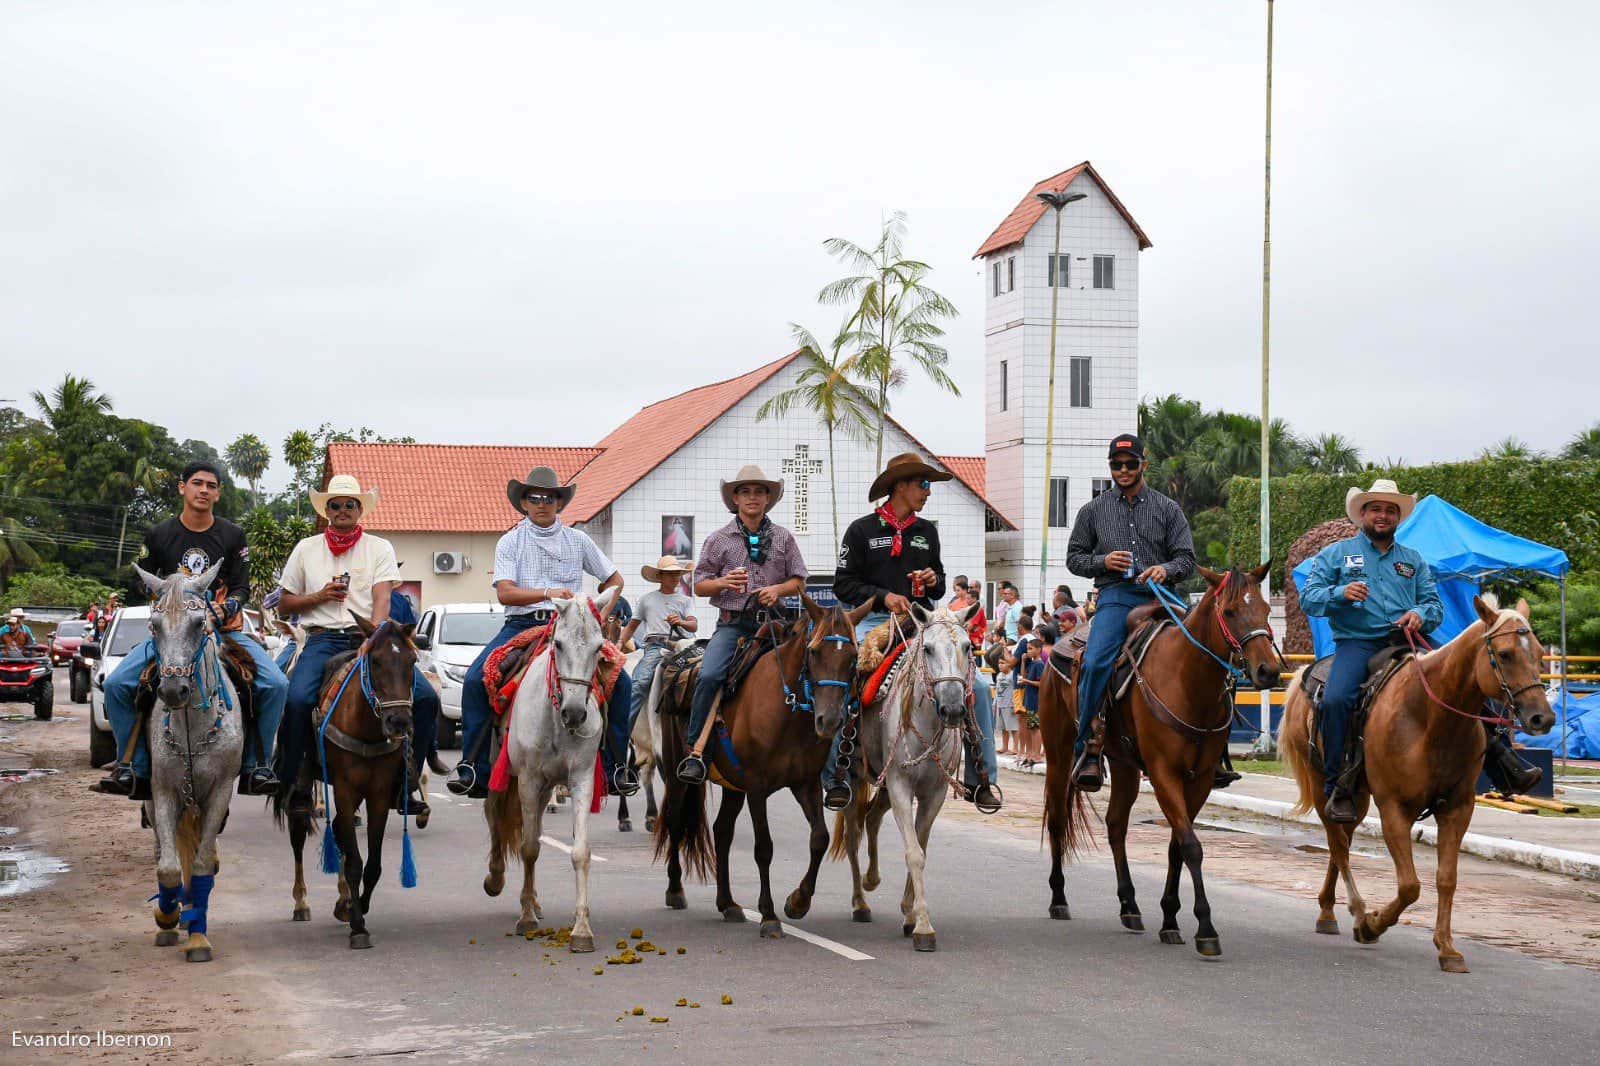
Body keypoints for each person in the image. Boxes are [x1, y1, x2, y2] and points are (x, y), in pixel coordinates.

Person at [1300, 479, 1541, 821]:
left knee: (1468, 676)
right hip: (1358, 643)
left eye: (1390, 510)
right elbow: (1308, 598)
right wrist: (1340, 593)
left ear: (1398, 517)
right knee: (1337, 699)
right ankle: (1340, 785)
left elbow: (1433, 605)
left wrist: (1419, 614)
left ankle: (1505, 762)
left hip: (1407, 642)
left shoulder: (1413, 560)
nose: (1382, 516)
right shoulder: (1335, 555)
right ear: (1362, 514)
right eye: (1376, 509)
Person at [94, 462, 289, 799]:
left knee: (276, 684)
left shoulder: (232, 534)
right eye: (196, 483)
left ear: (218, 493)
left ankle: (257, 766)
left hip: (225, 632)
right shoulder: (159, 534)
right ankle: (134, 768)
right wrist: (165, 598)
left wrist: (225, 606)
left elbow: (242, 586)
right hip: (173, 636)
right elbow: (138, 583)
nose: (204, 490)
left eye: (211, 485)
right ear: (182, 487)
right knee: (115, 684)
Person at [449, 467, 634, 798]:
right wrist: (547, 593)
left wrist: (596, 617)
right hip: (522, 623)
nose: (542, 504)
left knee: (622, 682)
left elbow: (615, 580)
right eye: (534, 498)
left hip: (571, 628)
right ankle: (473, 766)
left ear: (559, 503)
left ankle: (615, 766)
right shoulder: (511, 540)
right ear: (523, 502)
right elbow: (505, 592)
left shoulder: (578, 540)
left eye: (549, 498)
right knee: (477, 678)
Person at [273, 475, 442, 819]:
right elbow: (284, 605)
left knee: (426, 698)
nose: (342, 510)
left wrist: (374, 636)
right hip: (322, 637)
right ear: (327, 511)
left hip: (372, 637)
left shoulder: (379, 547)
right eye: (335, 505)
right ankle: (297, 779)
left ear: (360, 509)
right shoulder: (306, 548)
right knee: (298, 698)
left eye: (349, 504)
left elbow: (383, 596)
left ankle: (406, 779)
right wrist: (319, 595)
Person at [1066, 433, 1197, 791]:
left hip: (1162, 597)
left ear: (1144, 465)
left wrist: (1165, 570)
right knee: (1094, 662)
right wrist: (1102, 561)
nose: (1123, 470)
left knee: (1208, 650)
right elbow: (1074, 558)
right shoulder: (1092, 511)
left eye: (1130, 464)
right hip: (1117, 595)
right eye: (1116, 465)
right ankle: (1087, 749)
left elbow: (1187, 558)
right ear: (1110, 467)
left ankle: (1213, 751)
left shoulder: (1168, 509)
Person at [677, 464, 807, 787]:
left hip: (777, 625)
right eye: (745, 492)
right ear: (735, 498)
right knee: (708, 675)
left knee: (817, 672)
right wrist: (723, 582)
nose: (752, 497)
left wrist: (777, 590)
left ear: (768, 499)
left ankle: (824, 758)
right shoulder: (719, 539)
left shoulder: (784, 538)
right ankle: (697, 751)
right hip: (734, 626)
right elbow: (699, 584)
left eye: (759, 492)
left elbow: (800, 581)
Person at [624, 556, 698, 734]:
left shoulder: (685, 601)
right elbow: (631, 627)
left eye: (677, 574)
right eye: (670, 574)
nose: (675, 578)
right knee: (639, 684)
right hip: (656, 646)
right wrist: (618, 644)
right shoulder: (646, 599)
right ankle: (622, 734)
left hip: (683, 645)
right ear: (660, 576)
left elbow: (693, 625)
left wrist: (680, 622)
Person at [950, 578, 1000, 806]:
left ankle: (980, 781)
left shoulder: (928, 542)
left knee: (979, 688)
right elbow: (847, 584)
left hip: (931, 623)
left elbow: (937, 585)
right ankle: (839, 773)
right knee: (849, 676)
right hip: (877, 619)